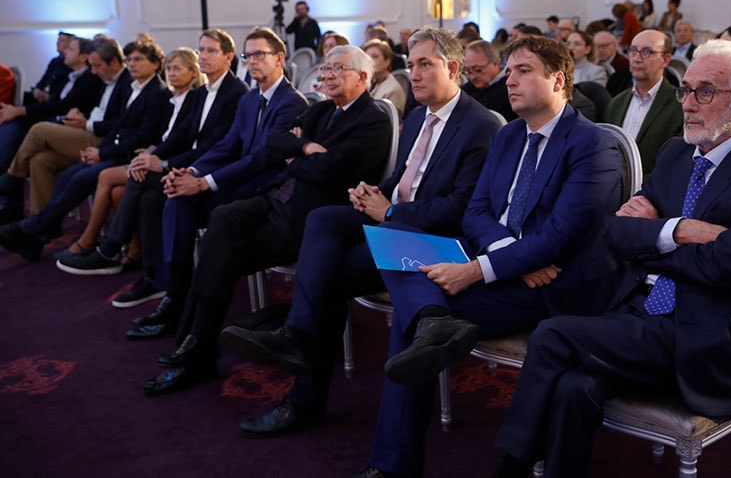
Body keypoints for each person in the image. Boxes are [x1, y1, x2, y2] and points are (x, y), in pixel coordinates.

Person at [492, 39, 731, 478]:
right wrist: (680, 230)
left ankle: (511, 466)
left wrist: (654, 240)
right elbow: (617, 233)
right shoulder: (677, 152)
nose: (688, 103)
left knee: (550, 335)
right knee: (572, 386)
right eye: (687, 89)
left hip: (713, 334)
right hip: (642, 315)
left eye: (706, 92)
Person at [343, 34, 620, 478]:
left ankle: (394, 465)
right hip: (505, 263)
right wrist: (508, 254)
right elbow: (476, 211)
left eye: (523, 71)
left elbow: (559, 237)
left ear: (559, 80)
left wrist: (478, 270)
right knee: (394, 236)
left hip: (552, 286)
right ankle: (435, 320)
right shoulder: (509, 135)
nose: (510, 81)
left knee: (412, 322)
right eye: (508, 71)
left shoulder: (592, 144)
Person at [218, 26, 498, 437]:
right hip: (395, 220)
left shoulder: (480, 124)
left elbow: (460, 206)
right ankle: (293, 333)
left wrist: (390, 212)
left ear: (453, 68)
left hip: (432, 239)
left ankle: (299, 366)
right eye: (411, 64)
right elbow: (403, 177)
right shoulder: (418, 115)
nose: (414, 74)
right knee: (324, 219)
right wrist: (374, 193)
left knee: (327, 275)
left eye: (425, 65)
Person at [141, 45, 393, 395]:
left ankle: (196, 349)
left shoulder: (373, 120)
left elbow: (332, 170)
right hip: (276, 199)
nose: (328, 75)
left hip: (310, 218)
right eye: (326, 69)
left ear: (363, 78)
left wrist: (297, 159)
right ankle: (197, 344)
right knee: (223, 218)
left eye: (338, 70)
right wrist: (304, 149)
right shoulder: (320, 111)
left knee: (220, 253)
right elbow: (274, 143)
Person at [132, 27, 307, 339]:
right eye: (248, 55)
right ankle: (176, 294)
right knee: (175, 196)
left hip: (262, 189)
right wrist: (193, 172)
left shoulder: (292, 103)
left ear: (279, 58)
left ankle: (182, 304)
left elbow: (262, 158)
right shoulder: (251, 99)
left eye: (259, 54)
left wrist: (205, 183)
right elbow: (228, 145)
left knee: (187, 198)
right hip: (237, 182)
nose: (252, 61)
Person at [55, 29, 249, 308]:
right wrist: (153, 156)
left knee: (139, 180)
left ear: (229, 57)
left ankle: (111, 250)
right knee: (146, 192)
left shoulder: (237, 93)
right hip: (187, 164)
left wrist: (166, 164)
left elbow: (218, 147)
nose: (203, 56)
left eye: (211, 51)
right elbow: (179, 136)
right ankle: (154, 276)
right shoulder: (202, 92)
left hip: (209, 174)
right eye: (201, 50)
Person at [0, 40, 171, 262]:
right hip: (112, 147)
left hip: (127, 155)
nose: (132, 65)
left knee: (74, 169)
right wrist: (99, 150)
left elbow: (142, 137)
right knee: (48, 164)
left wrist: (101, 152)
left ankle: (39, 226)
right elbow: (119, 126)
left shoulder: (156, 92)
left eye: (138, 59)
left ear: (156, 64)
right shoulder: (137, 88)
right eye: (130, 60)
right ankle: (38, 231)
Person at [54, 47, 205, 264]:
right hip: (152, 156)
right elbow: (164, 137)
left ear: (193, 72)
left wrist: (153, 155)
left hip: (173, 163)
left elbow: (180, 141)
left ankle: (93, 243)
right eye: (170, 68)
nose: (171, 73)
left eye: (177, 69)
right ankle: (134, 252)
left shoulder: (190, 100)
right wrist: (150, 151)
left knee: (106, 177)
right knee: (117, 192)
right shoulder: (174, 98)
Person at [0, 37, 131, 219]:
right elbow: (96, 111)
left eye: (97, 66)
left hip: (103, 140)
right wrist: (83, 117)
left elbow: (120, 124)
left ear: (115, 61)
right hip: (87, 129)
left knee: (39, 130)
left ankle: (12, 177)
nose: (93, 71)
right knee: (40, 161)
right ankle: (39, 223)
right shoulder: (102, 77)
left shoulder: (126, 83)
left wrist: (86, 123)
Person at [604, 30, 683, 178]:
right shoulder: (616, 103)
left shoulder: (680, 106)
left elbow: (677, 166)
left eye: (647, 52)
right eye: (633, 50)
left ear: (665, 60)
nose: (637, 58)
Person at [462, 40, 516, 121]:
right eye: (468, 71)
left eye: (478, 70)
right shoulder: (468, 89)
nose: (472, 77)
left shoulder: (509, 89)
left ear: (495, 63)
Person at [27, 31, 74, 104]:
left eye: (61, 41)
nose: (57, 43)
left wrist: (50, 96)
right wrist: (37, 90)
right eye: (58, 40)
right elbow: (44, 80)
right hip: (43, 95)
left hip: (55, 99)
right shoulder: (54, 61)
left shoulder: (71, 64)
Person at [363, 39, 406, 118]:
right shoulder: (368, 83)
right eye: (367, 57)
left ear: (387, 62)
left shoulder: (393, 90)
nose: (369, 61)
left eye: (375, 56)